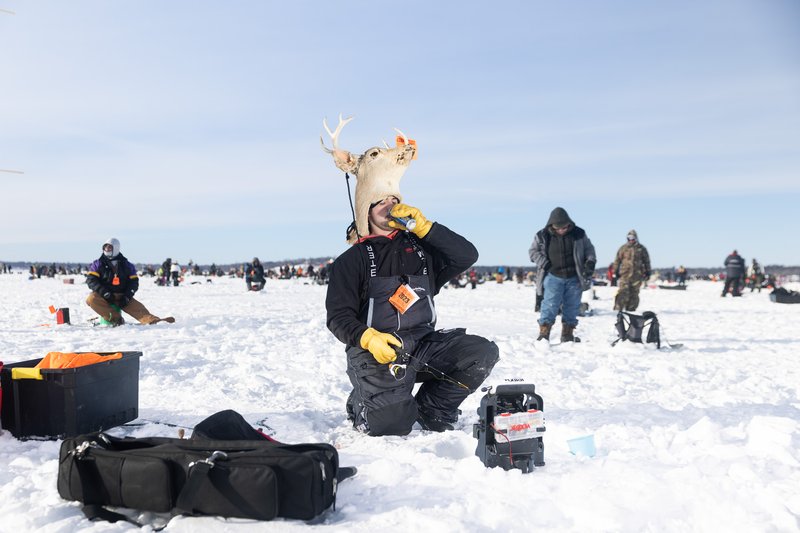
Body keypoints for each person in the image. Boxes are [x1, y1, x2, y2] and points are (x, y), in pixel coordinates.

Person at [326, 196, 500, 436]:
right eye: (381, 202)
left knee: (480, 353)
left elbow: (466, 255)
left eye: (394, 199)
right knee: (392, 425)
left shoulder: (423, 250)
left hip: (423, 346)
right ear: (366, 212)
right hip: (378, 352)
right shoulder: (351, 260)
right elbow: (338, 317)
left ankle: (433, 409)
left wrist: (427, 228)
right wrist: (369, 338)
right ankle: (360, 404)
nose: (390, 205)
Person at [529, 207, 596, 345]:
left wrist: (590, 262)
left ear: (569, 224)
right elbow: (533, 252)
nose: (561, 230)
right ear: (551, 225)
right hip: (553, 276)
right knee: (550, 304)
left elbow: (589, 249)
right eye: (558, 228)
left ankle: (567, 334)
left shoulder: (579, 233)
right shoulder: (542, 235)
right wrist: (545, 264)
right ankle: (544, 334)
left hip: (574, 277)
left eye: (564, 227)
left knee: (572, 306)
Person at [86, 238, 167, 325]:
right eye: (105, 247)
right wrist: (104, 292)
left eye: (109, 247)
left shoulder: (127, 264)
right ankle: (116, 319)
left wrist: (127, 296)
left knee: (138, 309)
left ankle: (153, 320)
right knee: (91, 299)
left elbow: (134, 282)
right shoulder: (97, 263)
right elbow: (91, 280)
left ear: (116, 248)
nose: (106, 250)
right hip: (104, 295)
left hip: (122, 295)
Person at [612, 229, 651, 312]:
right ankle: (618, 309)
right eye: (629, 237)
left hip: (637, 275)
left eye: (632, 237)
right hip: (625, 274)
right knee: (623, 292)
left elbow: (646, 261)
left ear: (636, 238)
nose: (631, 239)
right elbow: (617, 261)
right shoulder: (623, 248)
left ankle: (631, 310)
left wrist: (648, 272)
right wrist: (615, 271)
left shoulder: (641, 249)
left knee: (634, 293)